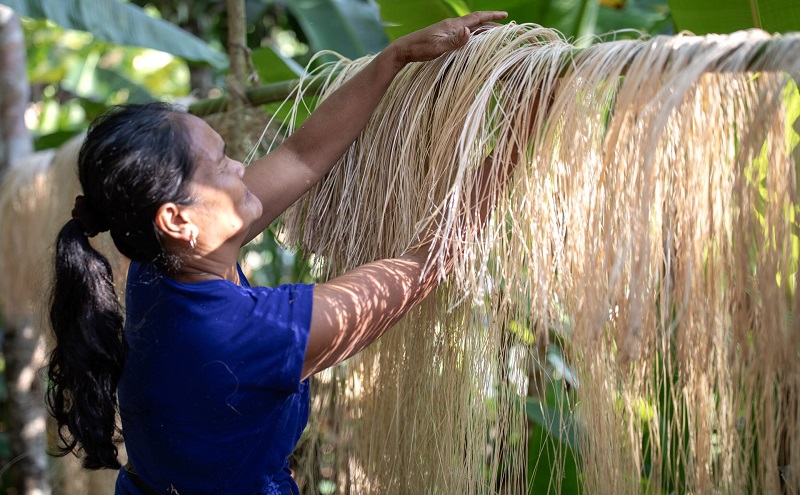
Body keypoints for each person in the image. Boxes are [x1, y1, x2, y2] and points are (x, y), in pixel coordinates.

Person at [46, 11, 509, 495]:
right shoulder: (245, 336)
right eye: (221, 164)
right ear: (177, 219)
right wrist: (521, 131)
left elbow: (300, 158)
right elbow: (427, 264)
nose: (241, 165)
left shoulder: (157, 263)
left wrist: (395, 57)